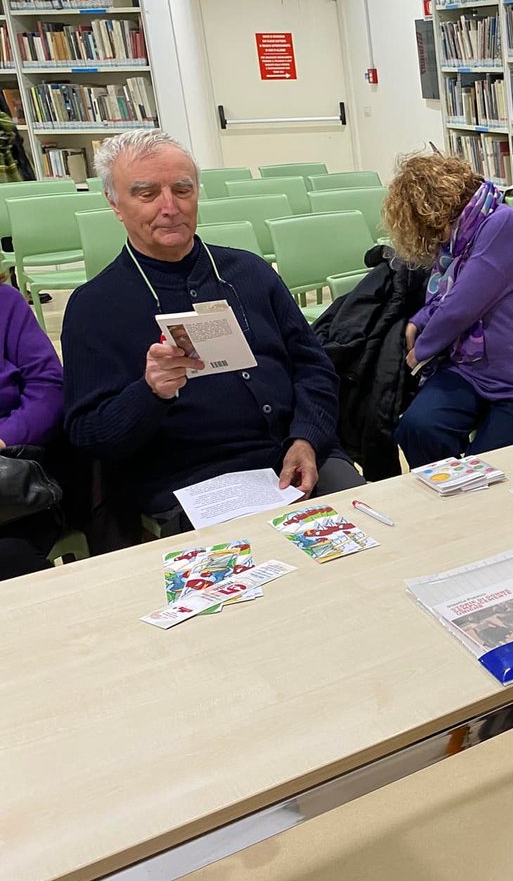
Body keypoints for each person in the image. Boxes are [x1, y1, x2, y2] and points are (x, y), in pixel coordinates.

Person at [62, 129, 363, 536]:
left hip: (294, 456)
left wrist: (307, 438)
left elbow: (315, 367)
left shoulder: (250, 273)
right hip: (194, 484)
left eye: (182, 189)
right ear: (115, 204)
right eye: (147, 194)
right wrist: (150, 393)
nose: (170, 207)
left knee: (367, 534)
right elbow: (88, 435)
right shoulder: (94, 306)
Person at [388, 151, 513, 467]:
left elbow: (462, 305)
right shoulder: (462, 236)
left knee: (483, 469)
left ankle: (471, 505)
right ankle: (450, 505)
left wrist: (420, 351)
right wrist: (419, 320)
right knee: (417, 428)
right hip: (473, 370)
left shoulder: (503, 224)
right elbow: (450, 293)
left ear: (438, 210)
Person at [1, 281, 63, 578]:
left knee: (13, 557)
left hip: (8, 484)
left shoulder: (5, 302)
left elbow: (47, 387)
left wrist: (4, 438)